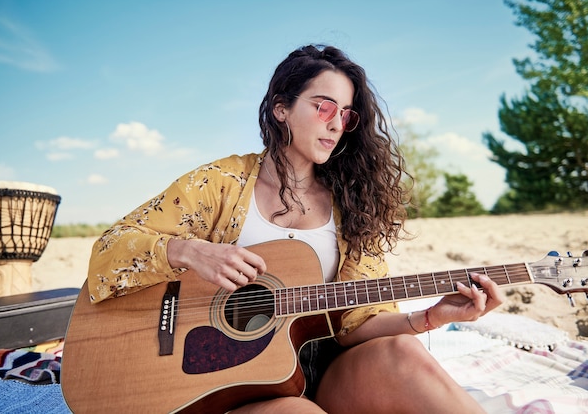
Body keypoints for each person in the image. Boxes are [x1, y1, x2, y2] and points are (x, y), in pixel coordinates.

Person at [87, 44, 504, 413]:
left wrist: (428, 316)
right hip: (233, 384)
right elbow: (110, 250)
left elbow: (355, 323)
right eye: (324, 106)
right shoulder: (219, 184)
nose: (336, 123)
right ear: (280, 108)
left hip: (325, 371)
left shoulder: (351, 205)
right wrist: (191, 251)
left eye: (346, 113)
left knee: (404, 353)